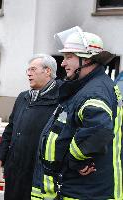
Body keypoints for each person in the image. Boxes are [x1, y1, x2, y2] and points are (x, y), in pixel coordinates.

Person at [32, 27, 122, 200]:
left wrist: (76, 160)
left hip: (86, 191)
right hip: (78, 189)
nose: (63, 63)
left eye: (69, 57)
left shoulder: (95, 91)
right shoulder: (85, 86)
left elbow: (99, 129)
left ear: (87, 59)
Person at [0, 54, 60, 200]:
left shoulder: (61, 98)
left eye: (33, 69)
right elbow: (11, 127)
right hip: (15, 167)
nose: (29, 73)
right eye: (28, 70)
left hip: (38, 171)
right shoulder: (23, 97)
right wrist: (1, 153)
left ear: (47, 71)